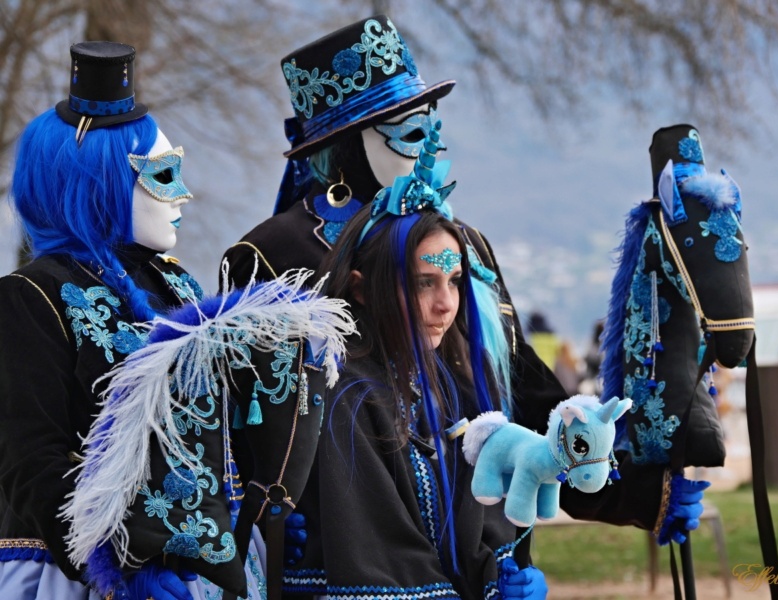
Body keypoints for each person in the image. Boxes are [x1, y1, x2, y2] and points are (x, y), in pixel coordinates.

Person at [220, 13, 709, 592]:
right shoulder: (275, 253)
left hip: (478, 540)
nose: (426, 144)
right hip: (350, 554)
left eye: (431, 124)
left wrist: (634, 491)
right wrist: (257, 517)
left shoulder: (461, 244)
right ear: (349, 142)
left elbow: (521, 390)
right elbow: (237, 418)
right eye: (404, 128)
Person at [0, 42, 275, 600]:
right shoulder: (30, 295)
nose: (183, 195)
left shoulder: (177, 286)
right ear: (103, 182)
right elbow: (31, 460)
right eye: (163, 173)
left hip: (209, 576)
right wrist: (116, 569)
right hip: (80, 578)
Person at [295, 126, 547, 599]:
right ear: (360, 287)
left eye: (453, 281)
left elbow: (475, 518)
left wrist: (503, 575)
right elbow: (380, 558)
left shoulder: (448, 384)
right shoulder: (344, 393)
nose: (446, 304)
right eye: (422, 283)